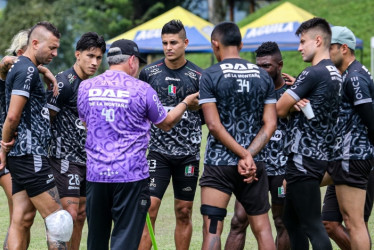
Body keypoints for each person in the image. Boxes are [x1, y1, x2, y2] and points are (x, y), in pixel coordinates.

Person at [77, 39, 199, 250]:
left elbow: (87, 123)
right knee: (124, 240)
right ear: (132, 61)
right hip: (130, 176)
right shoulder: (142, 90)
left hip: (96, 174)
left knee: (96, 239)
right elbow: (167, 123)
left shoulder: (85, 87)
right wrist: (186, 102)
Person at [199, 21, 277, 250]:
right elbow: (270, 124)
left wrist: (241, 154)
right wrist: (248, 155)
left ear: (215, 44)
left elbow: (213, 125)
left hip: (218, 164)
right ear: (241, 44)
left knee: (212, 230)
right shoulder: (263, 77)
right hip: (254, 165)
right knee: (263, 230)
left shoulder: (210, 75)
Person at [0, 21, 73, 250]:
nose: (55, 53)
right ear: (34, 43)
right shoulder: (27, 69)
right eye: (51, 48)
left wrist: (43, 70)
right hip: (31, 156)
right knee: (59, 220)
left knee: (21, 219)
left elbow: (10, 64)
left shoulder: (24, 67)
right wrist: (3, 147)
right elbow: (12, 117)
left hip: (23, 157)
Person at [276, 17, 342, 250]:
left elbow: (280, 108)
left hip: (303, 157)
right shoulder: (334, 73)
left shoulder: (312, 73)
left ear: (318, 40)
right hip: (319, 154)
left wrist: (292, 99)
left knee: (313, 225)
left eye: (303, 41)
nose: (299, 47)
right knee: (291, 221)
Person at [138, 20, 203, 250]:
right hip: (157, 153)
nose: (168, 47)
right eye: (165, 43)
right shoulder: (149, 73)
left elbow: (207, 117)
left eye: (173, 42)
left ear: (185, 43)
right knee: (149, 208)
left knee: (184, 211)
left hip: (188, 155)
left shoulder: (199, 76)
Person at [225, 41, 290, 250]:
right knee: (238, 221)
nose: (262, 70)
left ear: (280, 65)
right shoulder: (251, 89)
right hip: (255, 163)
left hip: (282, 167)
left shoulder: (293, 92)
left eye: (267, 66)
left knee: (282, 222)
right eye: (258, 66)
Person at [46, 32, 106, 250]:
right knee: (68, 216)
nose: (94, 62)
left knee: (81, 216)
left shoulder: (92, 85)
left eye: (99, 58)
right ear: (77, 54)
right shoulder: (64, 82)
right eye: (90, 56)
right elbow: (47, 120)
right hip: (64, 160)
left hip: (87, 160)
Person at [321, 26, 374, 250]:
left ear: (344, 48)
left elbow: (371, 120)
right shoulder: (346, 76)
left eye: (329, 48)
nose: (325, 53)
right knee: (330, 222)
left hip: (355, 158)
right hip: (341, 159)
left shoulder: (354, 78)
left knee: (355, 223)